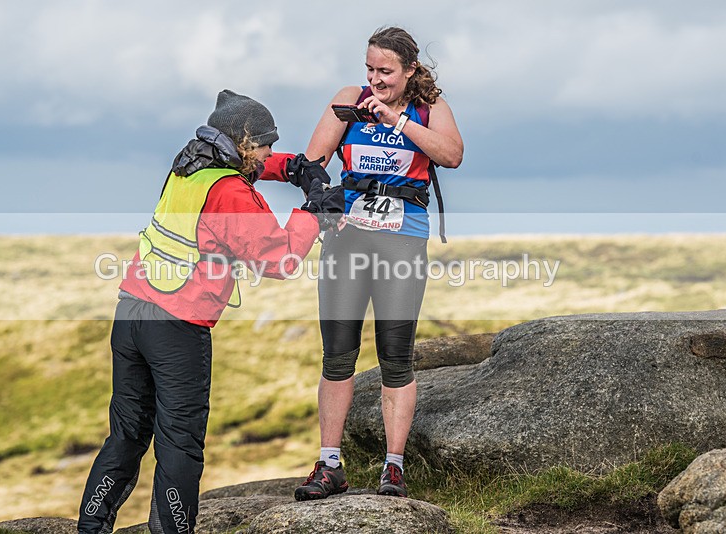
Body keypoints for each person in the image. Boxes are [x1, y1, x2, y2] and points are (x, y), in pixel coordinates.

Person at [77, 89, 343, 534]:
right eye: (267, 145)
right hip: (176, 330)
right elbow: (276, 259)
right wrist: (314, 212)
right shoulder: (231, 193)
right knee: (179, 445)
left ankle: (90, 527)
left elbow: (239, 172)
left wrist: (294, 167)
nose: (270, 153)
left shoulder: (189, 166)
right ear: (243, 142)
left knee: (126, 436)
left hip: (131, 317)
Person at [266, 26, 464, 500]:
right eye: (370, 69)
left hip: (401, 244)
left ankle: (392, 469)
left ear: (410, 70)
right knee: (337, 354)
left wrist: (398, 121)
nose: (375, 79)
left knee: (396, 357)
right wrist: (318, 195)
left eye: (386, 71)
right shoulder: (350, 99)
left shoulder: (429, 107)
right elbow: (313, 162)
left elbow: (452, 155)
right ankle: (330, 464)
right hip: (347, 241)